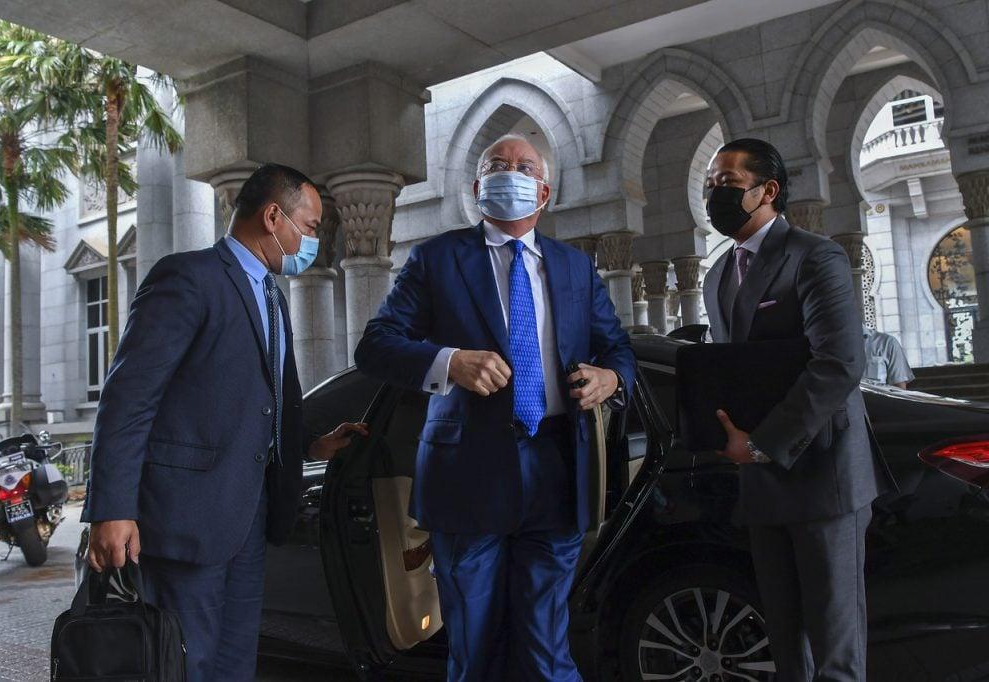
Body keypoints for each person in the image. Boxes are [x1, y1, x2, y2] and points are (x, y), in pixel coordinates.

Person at [354, 134, 635, 681]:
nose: (512, 172)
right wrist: (450, 361)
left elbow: (618, 347)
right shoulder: (436, 258)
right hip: (466, 475)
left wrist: (612, 376)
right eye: (497, 165)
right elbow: (375, 345)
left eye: (525, 166)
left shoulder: (575, 267)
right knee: (474, 647)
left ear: (544, 192)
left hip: (556, 468)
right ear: (478, 186)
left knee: (545, 646)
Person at [81, 163, 367, 681]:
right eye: (309, 226)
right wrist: (112, 509)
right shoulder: (188, 277)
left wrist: (311, 443)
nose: (312, 241)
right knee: (183, 663)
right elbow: (128, 400)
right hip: (186, 519)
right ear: (273, 217)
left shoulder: (272, 297)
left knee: (234, 666)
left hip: (248, 521)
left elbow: (260, 403)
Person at [701, 139, 894, 681]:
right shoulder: (717, 275)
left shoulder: (814, 255)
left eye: (728, 183)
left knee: (834, 651)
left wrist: (763, 442)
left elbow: (839, 363)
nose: (715, 194)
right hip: (761, 486)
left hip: (822, 475)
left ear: (768, 190)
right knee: (787, 648)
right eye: (711, 185)